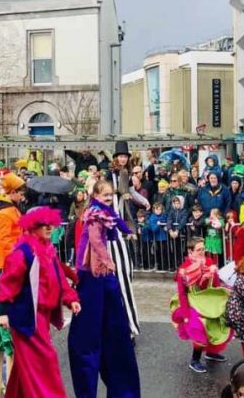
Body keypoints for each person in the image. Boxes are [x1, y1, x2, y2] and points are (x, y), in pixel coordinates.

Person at [0, 206, 81, 398]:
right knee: (44, 362)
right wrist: (3, 312)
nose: (49, 228)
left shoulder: (47, 250)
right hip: (27, 317)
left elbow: (59, 278)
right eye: (43, 225)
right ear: (32, 227)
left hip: (41, 316)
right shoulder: (22, 252)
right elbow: (7, 284)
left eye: (50, 224)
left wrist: (71, 299)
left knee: (29, 364)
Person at [68, 181, 141, 398]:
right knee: (89, 340)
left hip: (103, 278)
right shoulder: (94, 214)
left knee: (115, 335)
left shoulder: (105, 212)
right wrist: (108, 261)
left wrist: (128, 230)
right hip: (93, 275)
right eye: (105, 194)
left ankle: (121, 388)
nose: (109, 198)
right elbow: (95, 241)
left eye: (111, 194)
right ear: (96, 195)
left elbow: (118, 222)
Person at [0, 171, 26, 361]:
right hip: (4, 262)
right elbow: (4, 240)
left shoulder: (11, 209)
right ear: (13, 192)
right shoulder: (4, 213)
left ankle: (7, 336)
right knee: (1, 299)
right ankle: (0, 337)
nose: (22, 195)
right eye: (20, 192)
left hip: (10, 260)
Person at [172, 238, 232, 373]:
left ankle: (211, 352)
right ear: (190, 251)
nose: (202, 252)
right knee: (199, 326)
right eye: (199, 250)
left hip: (209, 300)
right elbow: (182, 294)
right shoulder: (184, 269)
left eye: (203, 249)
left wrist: (220, 299)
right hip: (194, 301)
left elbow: (216, 285)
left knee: (217, 324)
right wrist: (186, 314)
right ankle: (195, 360)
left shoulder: (210, 263)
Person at [105, 140, 142, 337]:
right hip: (109, 230)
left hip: (117, 230)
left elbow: (128, 201)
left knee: (124, 277)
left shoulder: (124, 175)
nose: (122, 158)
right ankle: (123, 326)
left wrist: (131, 227)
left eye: (124, 156)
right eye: (120, 156)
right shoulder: (111, 176)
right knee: (118, 278)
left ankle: (125, 326)